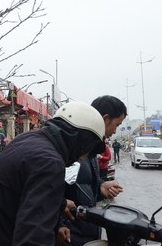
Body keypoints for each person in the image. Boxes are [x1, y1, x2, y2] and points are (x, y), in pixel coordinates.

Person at [0, 101, 106, 246]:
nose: (83, 158)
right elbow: (34, 238)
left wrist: (60, 203)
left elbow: (20, 191)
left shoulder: (27, 140)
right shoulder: (50, 163)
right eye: (88, 149)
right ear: (80, 139)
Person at [56, 95, 127, 246]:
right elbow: (53, 193)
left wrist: (100, 189)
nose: (115, 131)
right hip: (71, 234)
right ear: (106, 119)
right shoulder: (73, 152)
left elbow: (82, 187)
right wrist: (60, 224)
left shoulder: (92, 150)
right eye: (117, 124)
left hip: (87, 231)